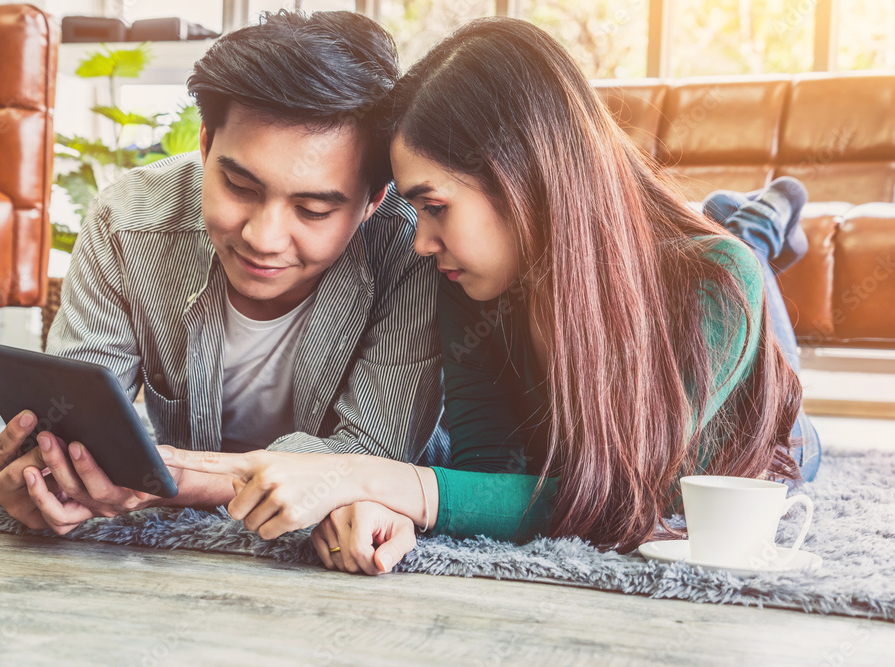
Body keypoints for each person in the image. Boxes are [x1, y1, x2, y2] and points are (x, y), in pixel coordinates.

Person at [159, 17, 822, 575]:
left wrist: (376, 480)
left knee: (740, 255)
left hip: (761, 416)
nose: (420, 241)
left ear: (524, 184)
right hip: (634, 269)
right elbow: (485, 471)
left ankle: (761, 218)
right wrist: (405, 503)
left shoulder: (714, 285)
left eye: (435, 206)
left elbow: (625, 502)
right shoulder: (470, 282)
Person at [0, 10, 446, 534]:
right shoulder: (128, 221)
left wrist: (165, 479)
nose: (263, 239)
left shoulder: (413, 251)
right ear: (204, 145)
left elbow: (366, 461)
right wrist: (50, 468)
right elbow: (77, 418)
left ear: (372, 200)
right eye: (240, 188)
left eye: (313, 211)